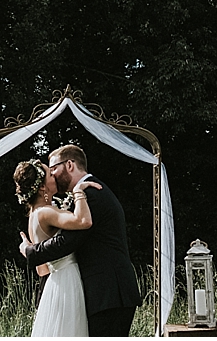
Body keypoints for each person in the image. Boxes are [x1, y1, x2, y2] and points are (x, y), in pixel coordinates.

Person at [18, 144, 141, 337]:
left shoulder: (91, 194)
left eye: (54, 170)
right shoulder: (83, 194)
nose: (54, 176)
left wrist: (30, 251)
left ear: (69, 165)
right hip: (101, 294)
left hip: (108, 294)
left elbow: (66, 242)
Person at [12, 158, 102, 336]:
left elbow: (42, 270)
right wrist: (78, 192)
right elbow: (83, 221)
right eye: (49, 174)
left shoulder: (34, 215)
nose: (54, 175)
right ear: (42, 187)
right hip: (67, 281)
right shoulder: (46, 213)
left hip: (55, 283)